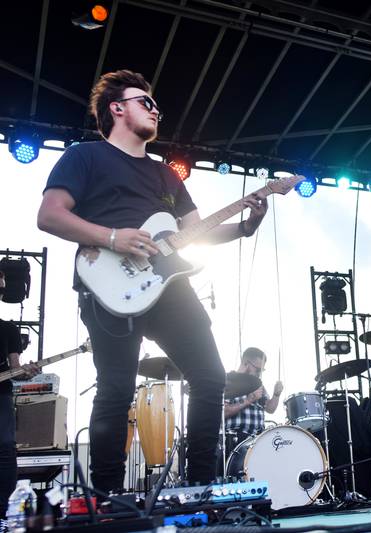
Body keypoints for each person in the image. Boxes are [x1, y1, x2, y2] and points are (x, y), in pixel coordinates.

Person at [36, 70, 269, 492]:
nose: (156, 108)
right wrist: (111, 237)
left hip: (166, 284)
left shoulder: (166, 175)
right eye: (146, 101)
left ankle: (200, 485)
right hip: (107, 284)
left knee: (211, 375)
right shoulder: (84, 156)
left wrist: (244, 226)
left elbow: (194, 231)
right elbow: (50, 215)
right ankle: (107, 497)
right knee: (116, 387)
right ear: (117, 108)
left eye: (156, 104)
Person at [0, 269, 39, 522]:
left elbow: (16, 369)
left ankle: (3, 512)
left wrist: (28, 372)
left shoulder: (8, 329)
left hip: (0, 396)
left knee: (5, 449)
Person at [224, 347, 284, 438]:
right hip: (234, 439)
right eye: (257, 370)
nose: (259, 374)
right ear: (246, 363)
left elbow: (270, 409)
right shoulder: (228, 380)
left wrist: (276, 394)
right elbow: (223, 412)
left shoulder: (258, 384)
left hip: (258, 440)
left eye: (262, 371)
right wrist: (249, 400)